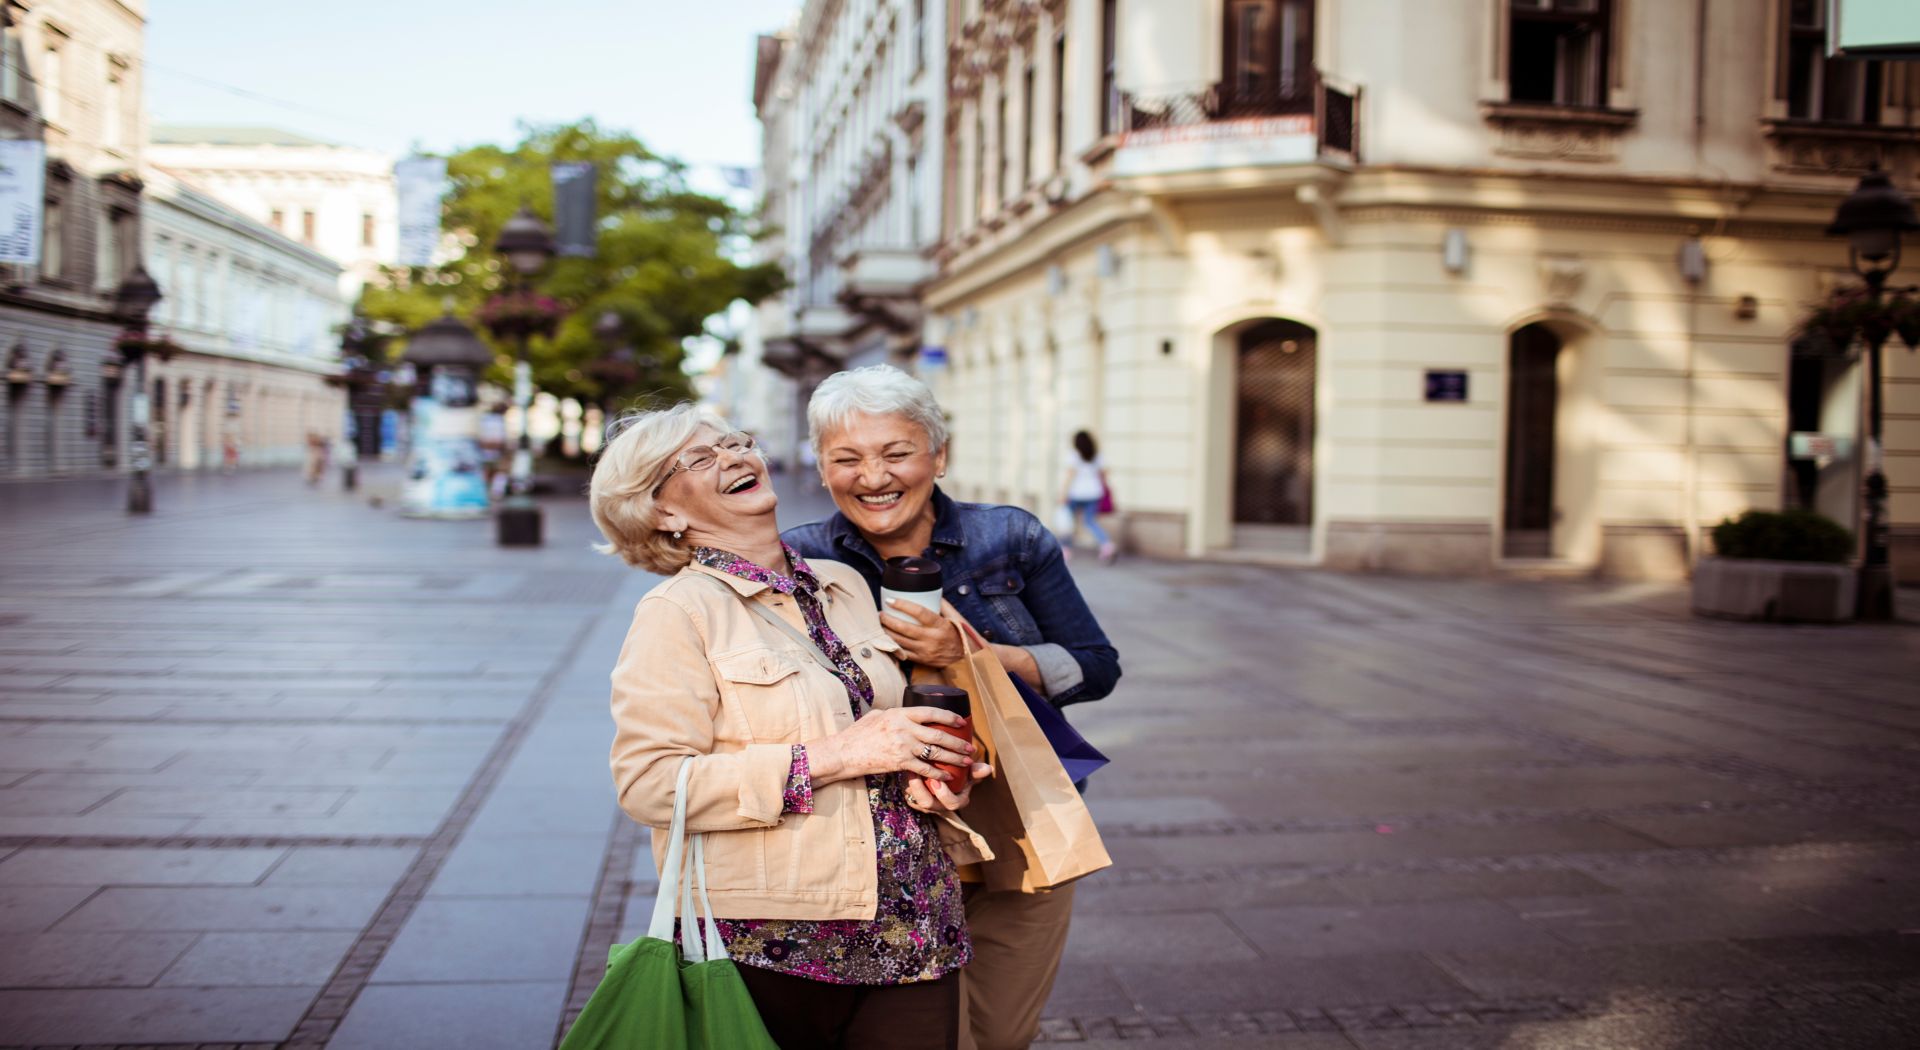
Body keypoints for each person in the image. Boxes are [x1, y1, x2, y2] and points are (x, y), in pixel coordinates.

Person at [591, 403, 994, 1050]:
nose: (734, 458)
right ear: (664, 511)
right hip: (775, 936)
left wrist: (932, 767)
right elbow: (651, 786)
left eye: (735, 442)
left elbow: (882, 722)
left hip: (912, 916)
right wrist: (835, 757)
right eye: (700, 458)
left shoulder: (842, 585)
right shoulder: (678, 613)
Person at [783, 366, 1122, 1050]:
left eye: (896, 453)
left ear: (940, 455)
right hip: (883, 840)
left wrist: (975, 654)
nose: (872, 476)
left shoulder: (1009, 539)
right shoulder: (801, 560)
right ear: (822, 467)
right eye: (846, 458)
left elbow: (1094, 666)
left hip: (1017, 819)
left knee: (998, 1030)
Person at [1062, 430, 1116, 564]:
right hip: (1093, 493)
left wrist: (1063, 494)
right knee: (1090, 521)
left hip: (1076, 493)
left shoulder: (1073, 456)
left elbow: (1070, 476)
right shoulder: (1097, 456)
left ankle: (1065, 550)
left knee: (1068, 522)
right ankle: (1107, 545)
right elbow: (1105, 473)